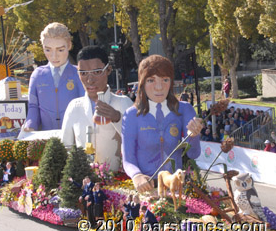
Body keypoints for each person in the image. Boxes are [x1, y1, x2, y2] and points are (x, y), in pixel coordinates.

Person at [122, 55, 203, 193]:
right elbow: (128, 159)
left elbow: (193, 154)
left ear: (171, 82)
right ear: (142, 83)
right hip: (147, 189)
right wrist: (137, 176)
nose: (159, 87)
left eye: (165, 80)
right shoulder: (131, 115)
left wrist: (194, 136)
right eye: (151, 80)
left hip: (176, 188)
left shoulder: (184, 109)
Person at [61, 46, 134, 171]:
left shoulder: (123, 102)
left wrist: (117, 118)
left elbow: (137, 141)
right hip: (83, 181)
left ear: (108, 70)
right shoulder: (74, 107)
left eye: (97, 72)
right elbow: (65, 147)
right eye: (83, 73)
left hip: (119, 181)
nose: (90, 80)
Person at [23, 22, 85, 131]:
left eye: (60, 50)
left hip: (75, 137)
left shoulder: (79, 73)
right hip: (46, 137)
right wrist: (30, 125)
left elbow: (86, 106)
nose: (54, 56)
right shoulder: (37, 75)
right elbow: (33, 107)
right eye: (48, 50)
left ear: (69, 46)